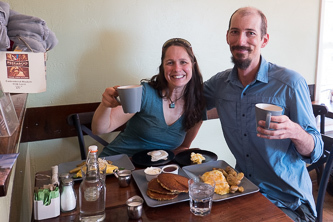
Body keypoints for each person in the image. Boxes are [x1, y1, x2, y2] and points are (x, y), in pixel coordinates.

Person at [204, 7, 323, 221]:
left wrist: (295, 131)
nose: (241, 40)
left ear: (264, 40)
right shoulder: (220, 85)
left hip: (290, 203)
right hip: (244, 193)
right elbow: (187, 103)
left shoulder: (290, 83)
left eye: (250, 33)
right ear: (227, 37)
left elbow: (316, 151)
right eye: (235, 32)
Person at [92, 38, 205, 157]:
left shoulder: (196, 103)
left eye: (183, 62)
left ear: (192, 65)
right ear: (163, 67)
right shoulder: (144, 93)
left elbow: (183, 147)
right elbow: (100, 129)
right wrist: (105, 105)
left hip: (152, 170)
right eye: (170, 62)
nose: (177, 69)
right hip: (115, 165)